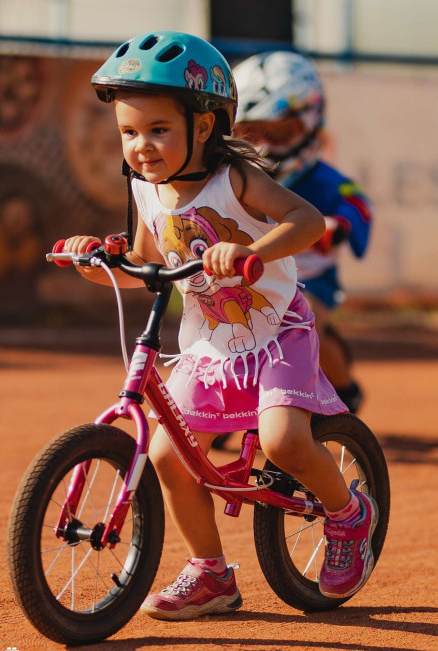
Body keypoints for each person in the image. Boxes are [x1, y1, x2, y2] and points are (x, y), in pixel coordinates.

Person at [61, 31, 379, 621]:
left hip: (277, 332)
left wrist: (250, 249)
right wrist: (97, 260)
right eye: (129, 133)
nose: (142, 147)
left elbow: (306, 221)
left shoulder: (233, 180)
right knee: (166, 455)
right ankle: (211, 575)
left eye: (158, 130)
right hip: (211, 344)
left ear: (204, 126)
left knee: (284, 441)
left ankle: (348, 514)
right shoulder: (147, 189)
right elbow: (146, 264)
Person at [232, 51, 372, 415]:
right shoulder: (237, 179)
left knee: (307, 322)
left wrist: (340, 225)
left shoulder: (323, 179)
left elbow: (357, 204)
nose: (267, 145)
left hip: (311, 278)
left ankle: (345, 390)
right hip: (251, 276)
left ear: (309, 121)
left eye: (280, 132)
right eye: (255, 132)